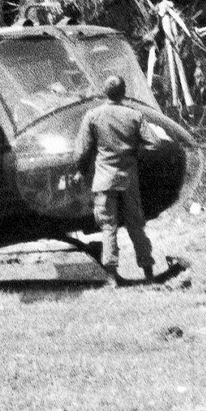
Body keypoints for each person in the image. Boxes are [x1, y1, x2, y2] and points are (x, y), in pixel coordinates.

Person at [74, 74, 157, 284]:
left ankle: (112, 275)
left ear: (104, 92)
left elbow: (82, 152)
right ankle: (148, 270)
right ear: (124, 92)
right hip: (128, 179)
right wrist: (136, 155)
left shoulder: (93, 116)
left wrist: (82, 171)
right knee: (136, 225)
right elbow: (154, 144)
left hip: (104, 179)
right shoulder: (135, 115)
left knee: (108, 227)